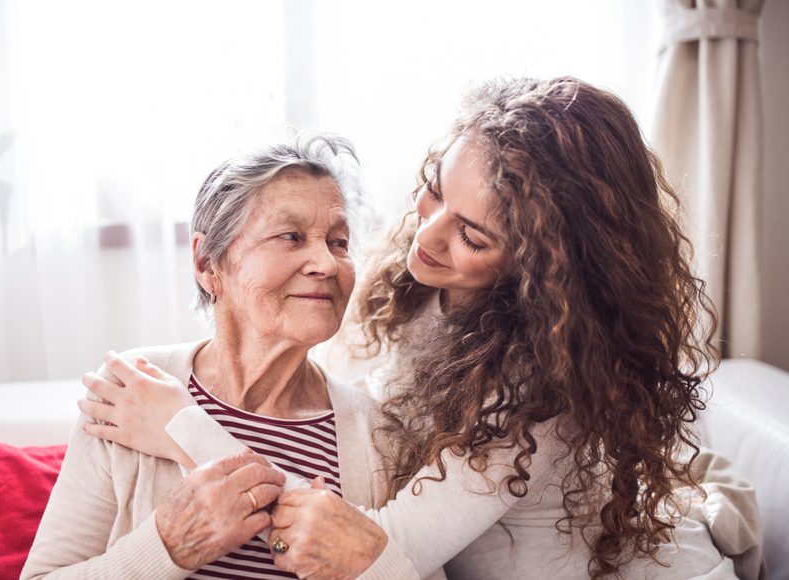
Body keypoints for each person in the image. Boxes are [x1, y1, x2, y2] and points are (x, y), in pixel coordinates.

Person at [81, 77, 743, 579]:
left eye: (473, 234)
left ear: (544, 269)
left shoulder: (542, 385)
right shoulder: (428, 287)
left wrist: (181, 427)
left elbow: (363, 547)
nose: (425, 235)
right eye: (435, 187)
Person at [20, 133, 433, 579]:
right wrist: (167, 546)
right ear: (207, 264)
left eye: (338, 242)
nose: (327, 264)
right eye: (291, 237)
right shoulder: (132, 387)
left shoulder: (380, 435)